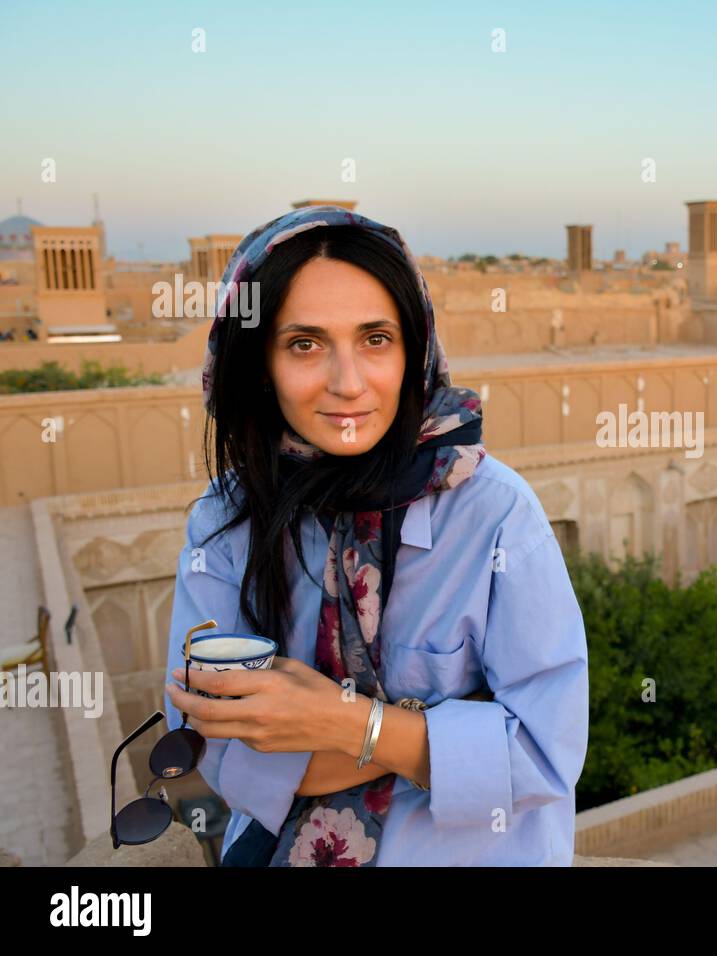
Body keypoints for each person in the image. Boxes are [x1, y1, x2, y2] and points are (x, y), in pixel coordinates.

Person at [161, 205, 589, 866]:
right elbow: (218, 755)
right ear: (258, 360)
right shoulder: (225, 525)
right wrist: (437, 732)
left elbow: (545, 757)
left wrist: (339, 721)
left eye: (375, 339)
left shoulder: (492, 516)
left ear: (412, 348)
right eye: (304, 343)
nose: (348, 383)